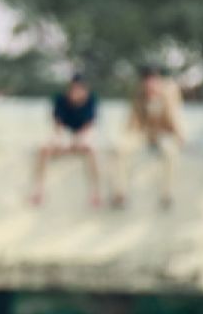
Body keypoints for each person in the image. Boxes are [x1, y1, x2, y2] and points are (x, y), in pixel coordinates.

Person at [113, 67, 185, 209]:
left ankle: (166, 194)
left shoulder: (170, 91)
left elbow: (176, 116)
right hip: (145, 132)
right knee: (120, 149)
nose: (150, 85)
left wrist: (180, 135)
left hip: (165, 132)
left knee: (170, 152)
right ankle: (120, 193)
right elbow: (132, 120)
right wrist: (126, 135)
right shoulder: (139, 94)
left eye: (153, 81)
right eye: (147, 82)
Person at [30, 74, 102, 207]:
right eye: (74, 88)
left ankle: (96, 193)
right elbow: (58, 124)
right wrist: (62, 142)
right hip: (64, 131)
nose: (77, 92)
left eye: (80, 89)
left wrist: (77, 141)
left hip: (83, 132)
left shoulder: (91, 100)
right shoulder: (60, 100)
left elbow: (89, 125)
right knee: (45, 149)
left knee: (90, 149)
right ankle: (38, 190)